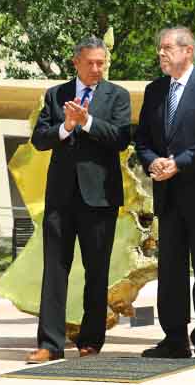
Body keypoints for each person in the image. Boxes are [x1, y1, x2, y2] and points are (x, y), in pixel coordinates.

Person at [26, 36, 132, 364]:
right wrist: (65, 126)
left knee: (96, 271)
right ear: (76, 62)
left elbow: (120, 138)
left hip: (99, 198)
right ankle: (50, 343)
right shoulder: (55, 95)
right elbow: (40, 139)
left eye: (102, 63)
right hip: (60, 197)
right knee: (55, 270)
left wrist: (86, 123)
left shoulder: (118, 96)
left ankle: (90, 340)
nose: (97, 68)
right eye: (91, 63)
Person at [135, 26, 195, 361]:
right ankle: (174, 338)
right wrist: (152, 162)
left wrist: (181, 162)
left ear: (187, 51)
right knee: (171, 270)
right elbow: (142, 140)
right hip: (169, 194)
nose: (161, 54)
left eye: (167, 48)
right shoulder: (154, 90)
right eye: (160, 49)